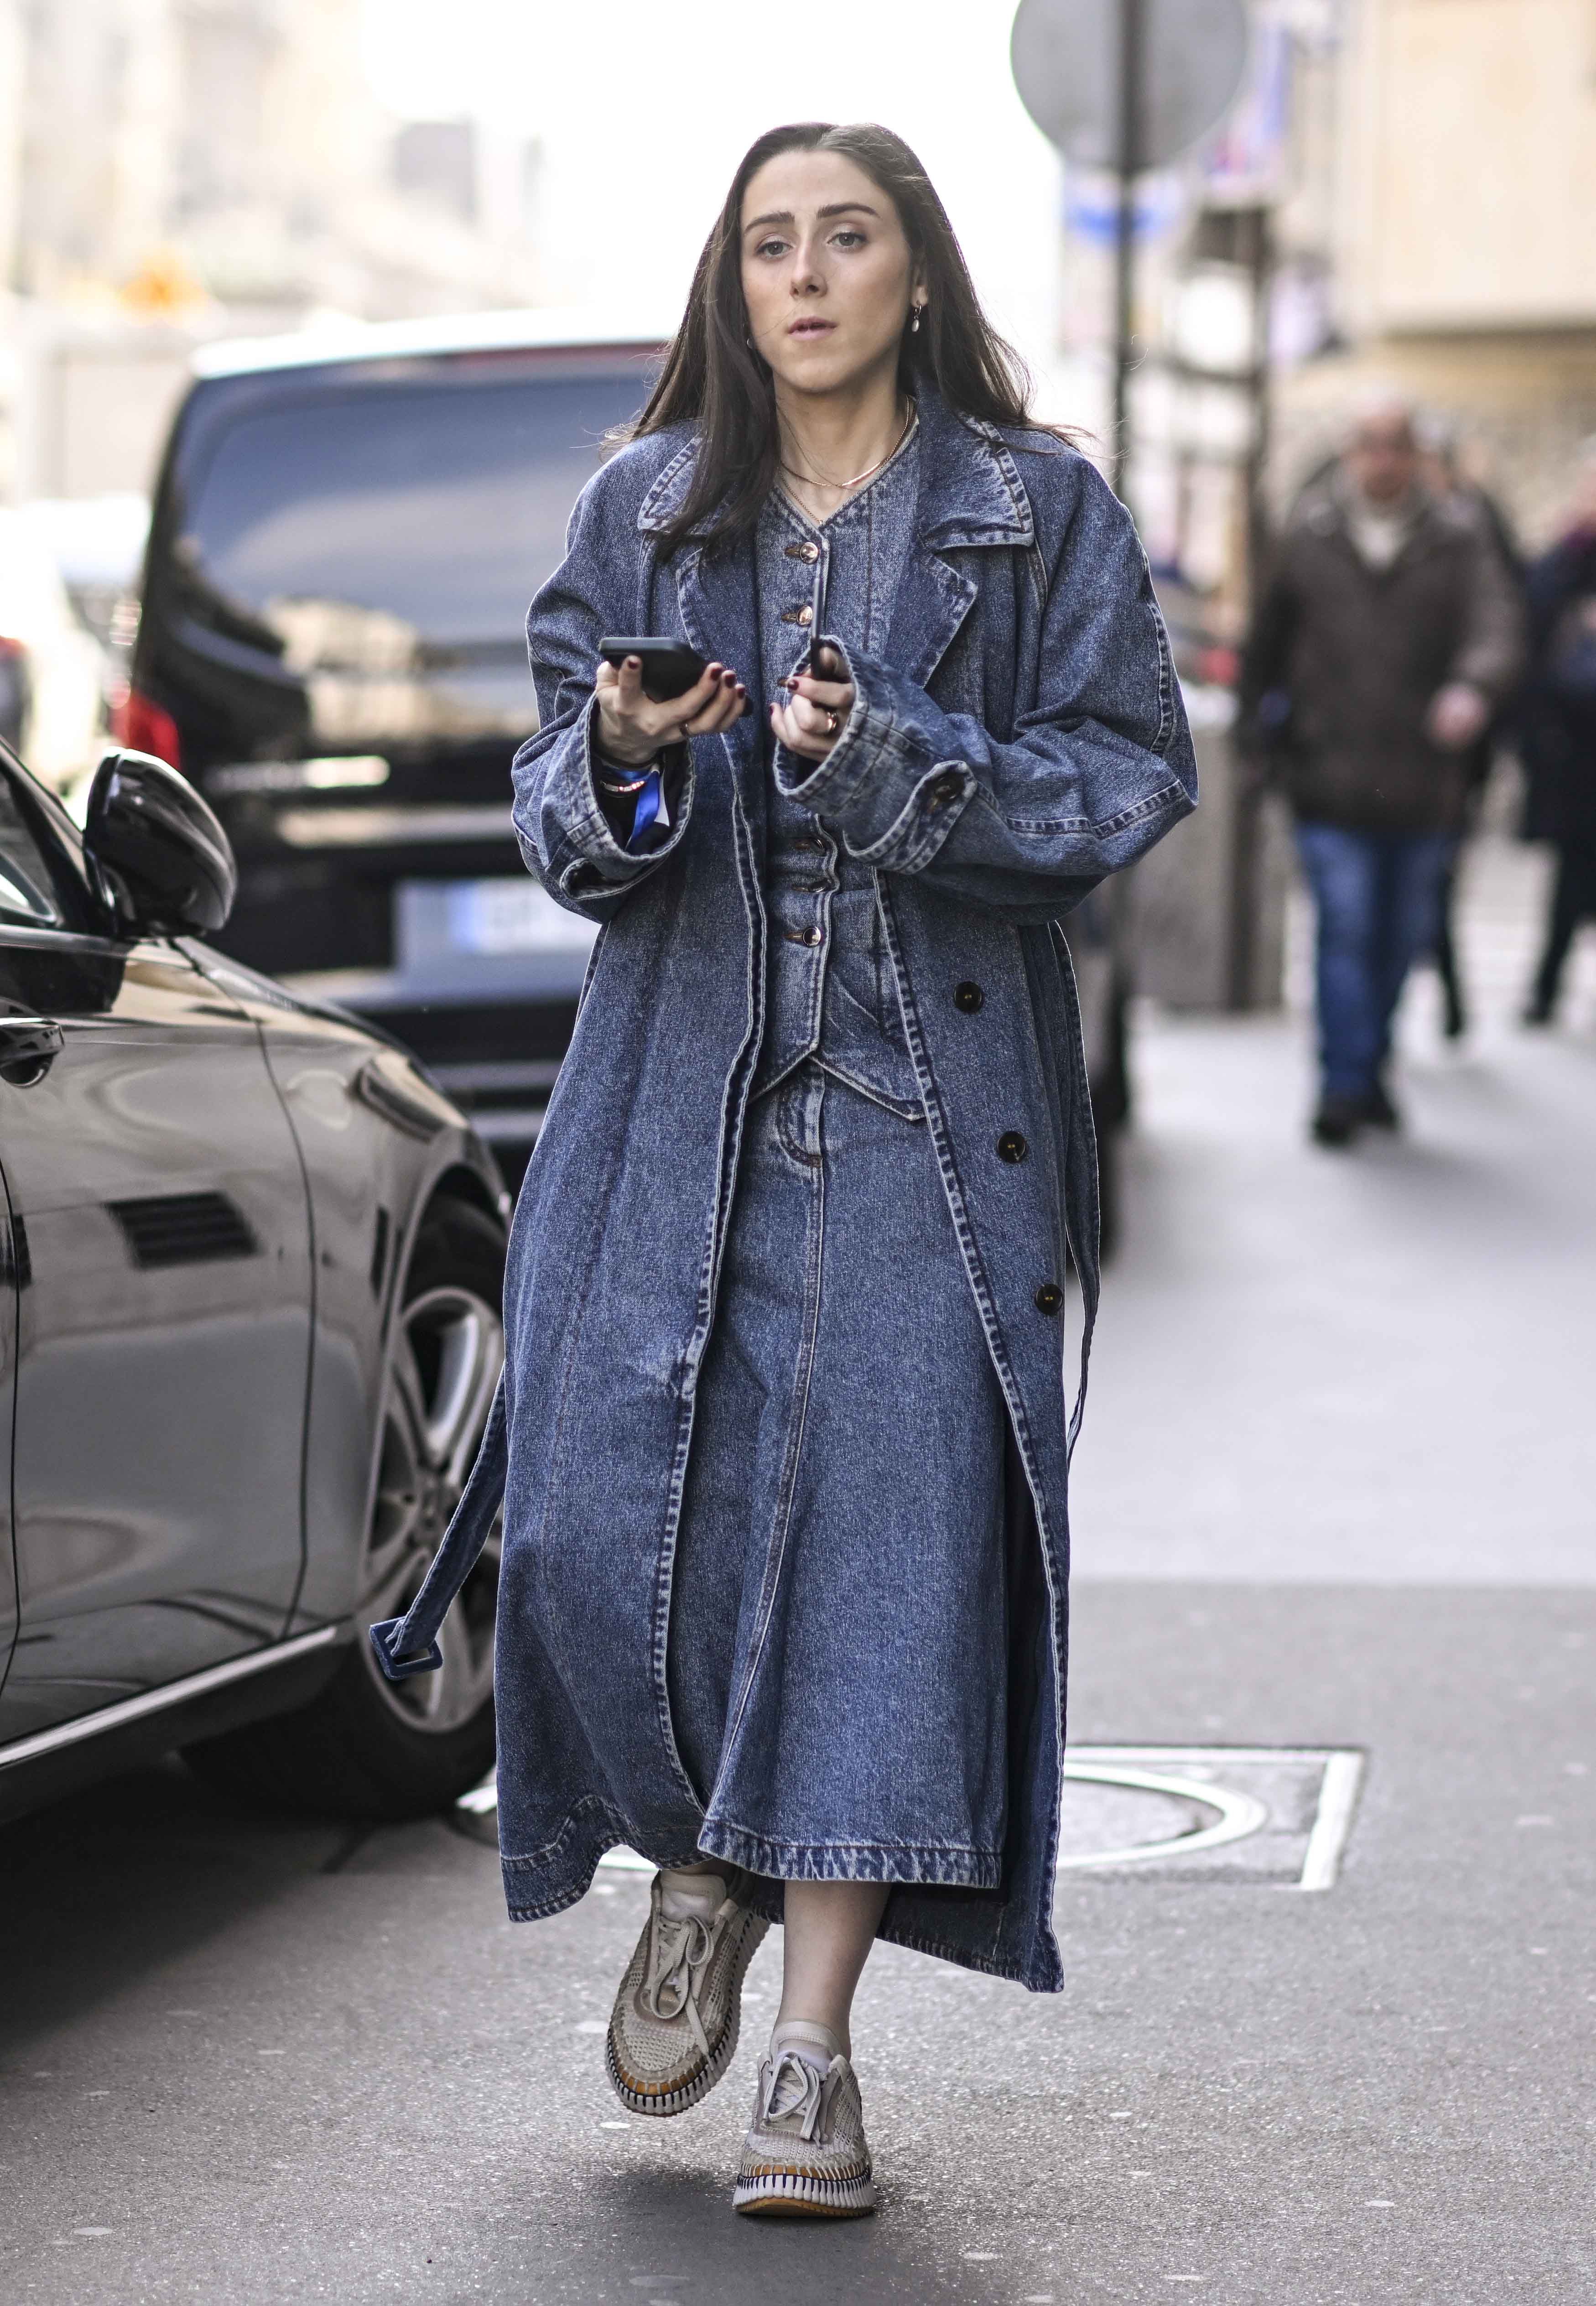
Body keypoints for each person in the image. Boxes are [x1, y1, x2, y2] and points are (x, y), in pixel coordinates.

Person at [368, 121, 1195, 2218]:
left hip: (930, 1128)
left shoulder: (1035, 517)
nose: (805, 275)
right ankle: (699, 1860)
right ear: (731, 285)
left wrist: (894, 752)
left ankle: (812, 2061)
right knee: (583, 1540)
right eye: (767, 245)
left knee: (877, 1580)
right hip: (675, 1117)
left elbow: (1124, 780)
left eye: (847, 238)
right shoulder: (637, 510)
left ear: (914, 273)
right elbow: (554, 811)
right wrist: (631, 755)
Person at [1242, 392, 1523, 1145]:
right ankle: (1340, 1084)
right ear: (1348, 451)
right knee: (1344, 925)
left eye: (1394, 445)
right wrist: (1252, 743)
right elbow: (1262, 643)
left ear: (1414, 456)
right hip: (1328, 775)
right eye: (1367, 444)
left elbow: (1495, 623)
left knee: (1398, 938)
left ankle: (1369, 1067)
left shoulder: (1457, 538)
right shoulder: (1310, 533)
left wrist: (1471, 686)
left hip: (1422, 783)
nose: (1381, 459)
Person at [1415, 415, 1525, 1039]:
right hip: (1385, 741)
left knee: (1434, 869)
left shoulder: (1473, 530)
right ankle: (1434, 991)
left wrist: (1474, 693)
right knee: (1419, 877)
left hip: (1457, 739)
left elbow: (1502, 626)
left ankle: (1446, 989)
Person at [1519, 439, 1596, 1024]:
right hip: (1575, 752)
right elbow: (1529, 644)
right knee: (1570, 879)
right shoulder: (1562, 562)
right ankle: (1546, 987)